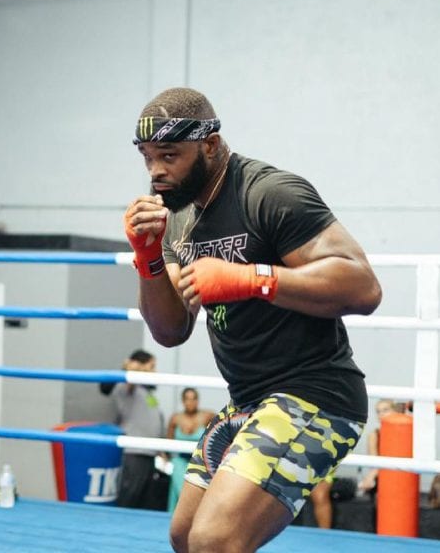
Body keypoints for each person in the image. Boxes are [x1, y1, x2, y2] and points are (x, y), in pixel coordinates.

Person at [123, 87, 382, 552]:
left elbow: (364, 287)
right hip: (247, 399)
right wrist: (148, 260)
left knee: (214, 539)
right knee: (185, 536)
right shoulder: (175, 214)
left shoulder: (268, 193)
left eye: (169, 155)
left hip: (316, 395)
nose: (156, 170)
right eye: (147, 157)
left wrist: (253, 278)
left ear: (209, 144)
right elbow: (170, 331)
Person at [99, 349, 166, 509]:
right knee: (129, 498)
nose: (155, 371)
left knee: (143, 501)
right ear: (140, 366)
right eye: (151, 366)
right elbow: (125, 382)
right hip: (135, 452)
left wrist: (161, 448)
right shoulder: (127, 387)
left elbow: (153, 420)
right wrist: (131, 368)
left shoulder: (146, 391)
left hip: (149, 452)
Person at [165, 388, 214, 513]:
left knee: (197, 496)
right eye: (187, 399)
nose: (190, 402)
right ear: (183, 401)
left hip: (199, 462)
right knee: (180, 492)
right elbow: (167, 444)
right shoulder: (175, 418)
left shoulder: (207, 416)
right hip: (179, 461)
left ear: (198, 401)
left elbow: (220, 434)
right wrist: (165, 461)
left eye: (193, 399)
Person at [357, 398, 396, 495]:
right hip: (382, 475)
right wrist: (370, 478)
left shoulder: (405, 432)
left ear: (395, 411)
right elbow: (374, 464)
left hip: (402, 474)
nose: (381, 414)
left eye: (385, 410)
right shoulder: (374, 435)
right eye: (378, 411)